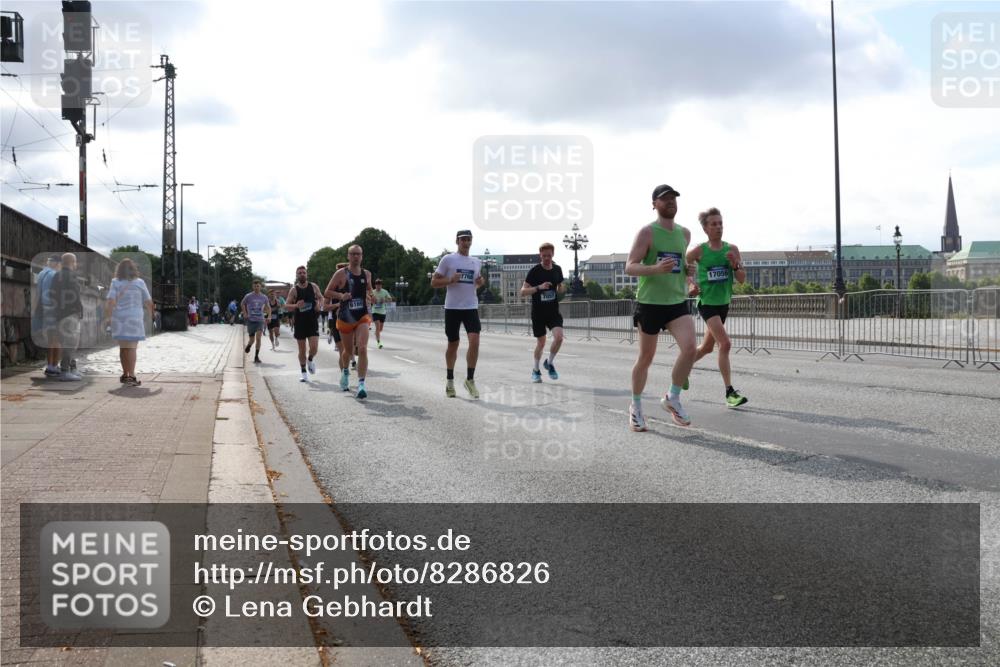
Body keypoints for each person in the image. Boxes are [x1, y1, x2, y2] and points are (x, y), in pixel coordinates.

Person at [625, 184, 697, 430]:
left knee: (690, 348)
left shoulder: (684, 234)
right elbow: (630, 266)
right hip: (650, 303)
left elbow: (680, 264)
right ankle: (635, 407)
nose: (671, 202)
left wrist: (689, 273)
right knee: (646, 358)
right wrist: (655, 269)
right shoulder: (647, 233)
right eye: (665, 199)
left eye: (674, 198)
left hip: (676, 302)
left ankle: (672, 397)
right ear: (654, 204)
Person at [686, 207, 749, 408]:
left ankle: (681, 369)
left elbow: (741, 279)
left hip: (723, 304)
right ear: (705, 228)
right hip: (707, 304)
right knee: (726, 344)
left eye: (720, 223)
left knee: (706, 348)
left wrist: (734, 265)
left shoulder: (731, 249)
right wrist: (690, 284)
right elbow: (682, 266)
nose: (718, 227)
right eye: (714, 224)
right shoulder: (698, 251)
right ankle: (730, 393)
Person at [431, 230, 485, 399]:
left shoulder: (476, 262)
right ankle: (450, 381)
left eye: (468, 239)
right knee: (453, 344)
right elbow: (433, 282)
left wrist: (480, 282)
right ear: (457, 241)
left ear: (471, 241)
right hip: (452, 308)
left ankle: (470, 379)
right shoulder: (448, 259)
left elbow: (476, 282)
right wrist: (450, 280)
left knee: (475, 341)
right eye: (463, 239)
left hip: (471, 307)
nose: (466, 242)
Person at [325, 245, 374, 398]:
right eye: (353, 254)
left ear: (362, 256)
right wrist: (340, 296)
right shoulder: (341, 274)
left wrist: (371, 296)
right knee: (348, 351)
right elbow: (327, 292)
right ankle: (345, 372)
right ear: (348, 256)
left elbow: (369, 290)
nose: (355, 257)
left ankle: (361, 384)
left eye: (358, 254)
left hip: (362, 316)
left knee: (363, 348)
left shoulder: (367, 274)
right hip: (346, 317)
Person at [521, 242, 566, 383]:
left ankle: (550, 363)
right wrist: (539, 287)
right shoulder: (534, 271)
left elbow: (560, 285)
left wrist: (561, 288)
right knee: (541, 343)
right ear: (540, 255)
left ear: (553, 254)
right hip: (538, 313)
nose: (547, 258)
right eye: (544, 255)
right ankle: (535, 370)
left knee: (559, 337)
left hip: (553, 311)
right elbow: (523, 292)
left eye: (549, 255)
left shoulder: (557, 269)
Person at [105, 258, 154, 386]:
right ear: (134, 269)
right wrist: (152, 315)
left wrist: (108, 318)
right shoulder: (140, 282)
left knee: (123, 348)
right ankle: (131, 376)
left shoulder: (115, 282)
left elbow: (110, 301)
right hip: (134, 318)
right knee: (132, 348)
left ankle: (125, 374)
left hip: (119, 317)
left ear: (119, 270)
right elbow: (148, 301)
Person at [285, 265, 323, 382]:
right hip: (300, 323)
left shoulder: (314, 286)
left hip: (312, 321)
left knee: (314, 348)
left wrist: (319, 305)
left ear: (307, 274)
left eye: (304, 273)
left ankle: (310, 359)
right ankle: (303, 372)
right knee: (302, 350)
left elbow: (321, 298)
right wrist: (296, 305)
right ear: (297, 275)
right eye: (300, 273)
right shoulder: (294, 290)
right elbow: (286, 306)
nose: (302, 274)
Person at [50, 252, 83, 381]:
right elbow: (76, 295)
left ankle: (72, 368)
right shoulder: (72, 276)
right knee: (71, 343)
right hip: (70, 313)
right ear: (72, 262)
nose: (76, 265)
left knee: (66, 342)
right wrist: (79, 309)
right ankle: (65, 371)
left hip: (59, 313)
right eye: (75, 262)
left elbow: (52, 294)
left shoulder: (56, 275)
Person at [32, 255, 62, 377]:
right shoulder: (54, 274)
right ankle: (54, 366)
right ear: (56, 263)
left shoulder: (41, 274)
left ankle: (50, 365)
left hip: (43, 309)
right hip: (53, 309)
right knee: (57, 339)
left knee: (50, 339)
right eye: (60, 265)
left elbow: (37, 293)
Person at [241, 280, 271, 363]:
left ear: (260, 287)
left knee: (258, 338)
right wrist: (245, 313)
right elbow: (242, 303)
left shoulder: (264, 297)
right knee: (252, 340)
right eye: (255, 286)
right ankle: (249, 345)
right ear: (252, 287)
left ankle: (256, 356)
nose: (256, 287)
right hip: (251, 320)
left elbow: (268, 307)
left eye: (258, 286)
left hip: (260, 320)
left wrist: (269, 316)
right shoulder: (248, 296)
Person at [370, 279, 394, 349]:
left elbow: (390, 299)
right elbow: (368, 299)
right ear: (375, 286)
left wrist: (385, 300)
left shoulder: (384, 292)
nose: (378, 287)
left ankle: (377, 334)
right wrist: (372, 301)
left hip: (383, 312)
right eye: (377, 285)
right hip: (375, 311)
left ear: (381, 286)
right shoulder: (373, 292)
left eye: (380, 285)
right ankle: (379, 343)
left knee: (380, 329)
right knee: (377, 327)